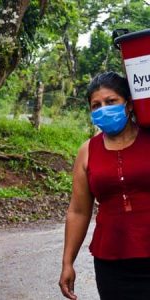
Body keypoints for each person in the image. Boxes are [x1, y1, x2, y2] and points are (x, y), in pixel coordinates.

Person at [59, 71, 150, 300]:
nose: (103, 109)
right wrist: (67, 262)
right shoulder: (87, 151)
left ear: (128, 105)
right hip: (111, 264)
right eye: (96, 105)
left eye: (111, 102)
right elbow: (78, 211)